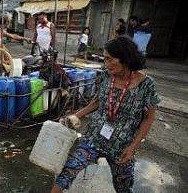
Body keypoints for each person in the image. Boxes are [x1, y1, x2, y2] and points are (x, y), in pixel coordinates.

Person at [51, 36, 160, 193]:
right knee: (68, 171)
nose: (105, 64)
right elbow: (97, 101)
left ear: (125, 58)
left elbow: (149, 118)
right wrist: (76, 116)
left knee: (123, 185)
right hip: (94, 137)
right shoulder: (105, 76)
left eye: (109, 59)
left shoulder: (146, 85)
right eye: (104, 59)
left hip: (122, 146)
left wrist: (132, 148)